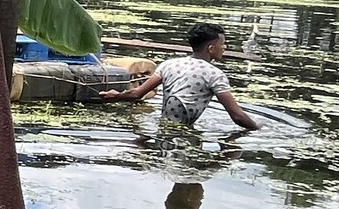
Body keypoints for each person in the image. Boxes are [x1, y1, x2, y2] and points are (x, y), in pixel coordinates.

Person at [100, 23, 263, 131]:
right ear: (211, 48)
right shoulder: (214, 74)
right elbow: (237, 116)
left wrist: (116, 96)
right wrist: (258, 128)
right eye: (222, 44)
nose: (224, 47)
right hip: (184, 134)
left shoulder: (169, 64)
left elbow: (136, 94)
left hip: (163, 128)